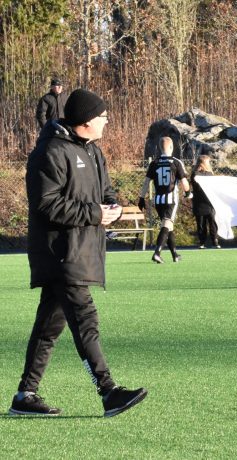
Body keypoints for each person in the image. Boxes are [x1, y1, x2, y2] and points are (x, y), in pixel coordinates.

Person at [11, 88, 147, 417]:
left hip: (82, 251)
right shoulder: (50, 152)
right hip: (60, 253)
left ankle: (25, 395)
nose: (107, 122)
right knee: (85, 320)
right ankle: (108, 391)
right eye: (103, 117)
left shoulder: (94, 152)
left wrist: (112, 206)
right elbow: (47, 204)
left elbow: (105, 191)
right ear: (86, 122)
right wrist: (95, 213)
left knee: (48, 326)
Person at [138, 136, 192, 263]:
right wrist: (188, 193)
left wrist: (141, 198)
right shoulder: (176, 162)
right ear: (172, 147)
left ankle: (174, 254)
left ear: (158, 148)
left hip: (158, 200)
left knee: (168, 226)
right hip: (171, 200)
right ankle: (157, 252)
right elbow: (184, 181)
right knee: (167, 225)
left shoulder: (154, 163)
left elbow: (146, 183)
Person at [190, 155, 220, 249]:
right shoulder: (197, 174)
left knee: (209, 223)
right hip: (201, 202)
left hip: (207, 202)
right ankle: (205, 242)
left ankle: (211, 241)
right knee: (204, 223)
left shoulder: (206, 174)